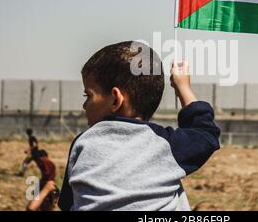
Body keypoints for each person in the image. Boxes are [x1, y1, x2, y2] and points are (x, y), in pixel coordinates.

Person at [58, 41, 221, 211]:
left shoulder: (83, 144)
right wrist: (182, 87)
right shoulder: (164, 145)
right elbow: (205, 132)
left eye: (88, 96)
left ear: (115, 99)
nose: (85, 105)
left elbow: (69, 204)